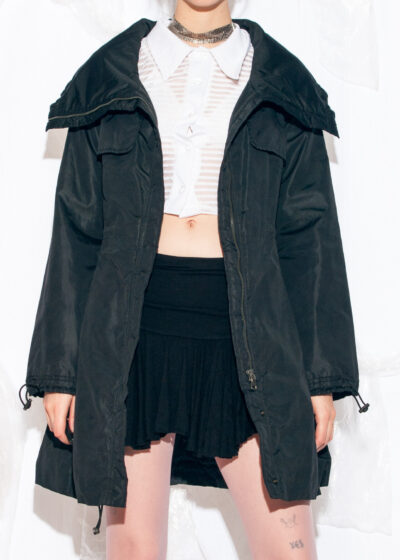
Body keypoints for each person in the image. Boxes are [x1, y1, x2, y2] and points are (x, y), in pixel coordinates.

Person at [18, 1, 370, 558]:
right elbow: (77, 231)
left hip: (250, 336)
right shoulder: (110, 75)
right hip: (131, 335)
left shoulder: (284, 83)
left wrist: (319, 379)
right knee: (135, 550)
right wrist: (62, 373)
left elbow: (310, 238)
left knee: (290, 549)